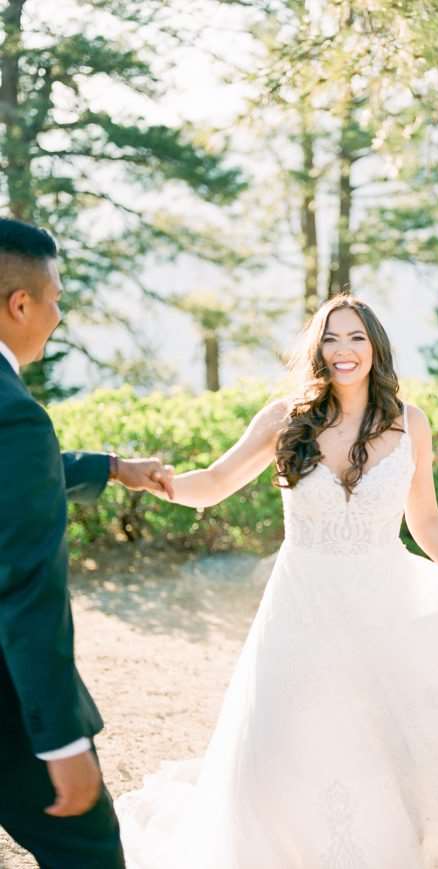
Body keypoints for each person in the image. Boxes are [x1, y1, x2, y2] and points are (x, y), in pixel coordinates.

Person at [118, 295, 438, 868]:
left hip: (385, 604)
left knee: (382, 742)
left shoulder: (410, 422)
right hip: (301, 606)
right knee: (288, 735)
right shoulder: (285, 419)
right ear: (318, 349)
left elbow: (426, 521)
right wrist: (149, 480)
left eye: (356, 338)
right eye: (331, 338)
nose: (344, 350)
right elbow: (213, 484)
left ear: (375, 347)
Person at [0, 217, 174, 868]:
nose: (59, 312)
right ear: (21, 304)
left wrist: (107, 466)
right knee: (89, 853)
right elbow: (25, 591)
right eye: (57, 295)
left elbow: (12, 471)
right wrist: (62, 744)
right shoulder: (15, 412)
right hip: (11, 711)